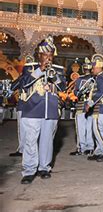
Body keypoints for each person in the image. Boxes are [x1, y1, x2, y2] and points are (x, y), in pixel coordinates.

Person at [19, 36, 66, 184]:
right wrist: (40, 70)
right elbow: (24, 84)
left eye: (50, 55)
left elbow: (62, 87)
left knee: (47, 141)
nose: (48, 58)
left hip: (50, 110)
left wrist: (55, 77)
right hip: (32, 110)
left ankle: (44, 168)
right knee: (30, 141)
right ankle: (29, 170)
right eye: (45, 55)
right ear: (39, 55)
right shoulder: (29, 67)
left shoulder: (58, 69)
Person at [85, 54, 103, 162]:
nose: (92, 70)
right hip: (99, 107)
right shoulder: (99, 77)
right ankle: (99, 151)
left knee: (98, 129)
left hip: (101, 107)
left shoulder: (101, 77)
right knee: (96, 130)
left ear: (99, 67)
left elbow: (101, 92)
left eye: (93, 68)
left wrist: (89, 104)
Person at [70, 58, 94, 156]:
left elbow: (76, 92)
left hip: (81, 105)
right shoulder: (94, 79)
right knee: (90, 127)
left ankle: (81, 148)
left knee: (80, 127)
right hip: (92, 105)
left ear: (83, 69)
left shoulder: (80, 79)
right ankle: (90, 147)